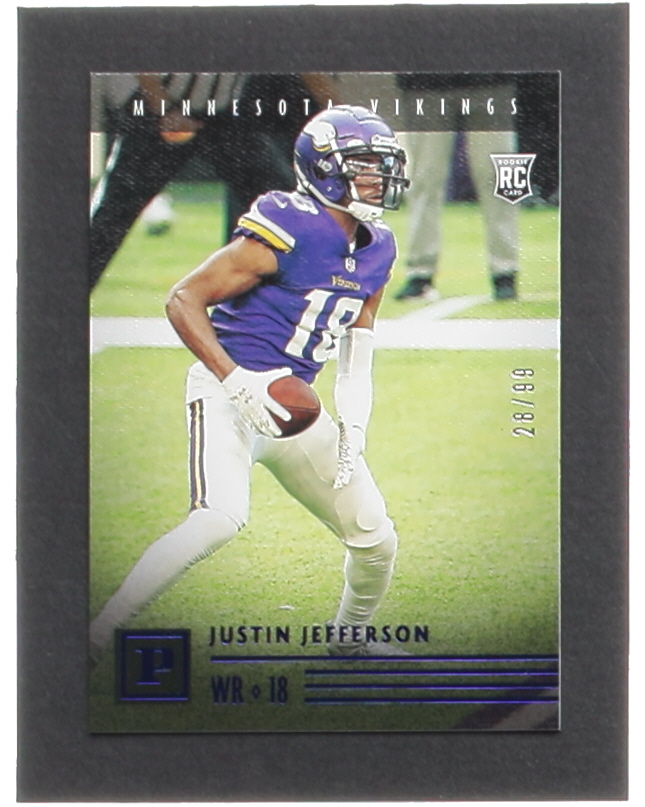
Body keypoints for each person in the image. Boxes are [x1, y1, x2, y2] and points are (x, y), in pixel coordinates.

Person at [90, 105, 411, 663]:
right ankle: (95, 637)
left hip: (293, 410)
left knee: (375, 536)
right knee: (217, 519)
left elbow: (358, 344)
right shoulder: (289, 223)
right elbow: (184, 299)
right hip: (229, 393)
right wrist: (237, 383)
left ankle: (348, 640)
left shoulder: (378, 246)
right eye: (363, 165)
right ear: (324, 169)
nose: (377, 178)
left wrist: (354, 424)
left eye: (381, 166)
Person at [393, 74, 520, 302]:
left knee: (498, 177)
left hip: (489, 78)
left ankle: (505, 271)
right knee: (424, 179)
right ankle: (420, 274)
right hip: (426, 81)